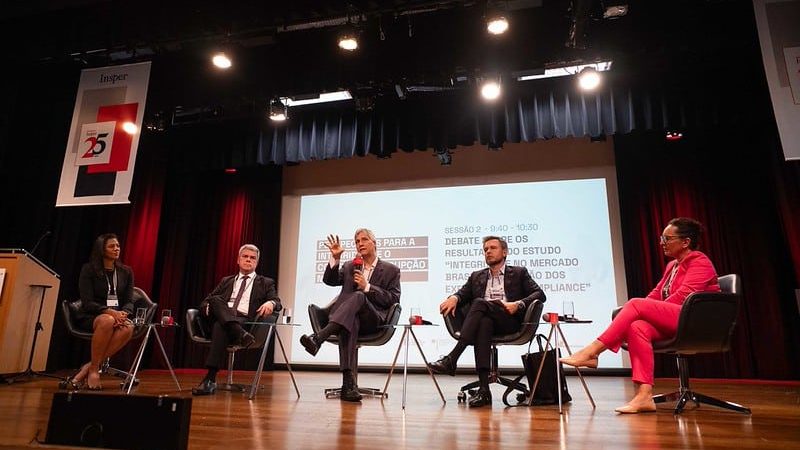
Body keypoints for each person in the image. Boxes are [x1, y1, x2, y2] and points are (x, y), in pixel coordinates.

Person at [560, 217, 720, 413]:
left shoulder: (700, 262)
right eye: (661, 238)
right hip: (676, 319)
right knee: (638, 327)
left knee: (636, 304)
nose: (662, 243)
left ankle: (592, 352)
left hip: (695, 321)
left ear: (686, 242)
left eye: (667, 238)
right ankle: (644, 396)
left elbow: (682, 297)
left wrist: (645, 309)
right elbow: (656, 294)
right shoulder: (672, 266)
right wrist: (642, 312)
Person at [428, 235, 546, 407]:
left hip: (509, 321)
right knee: (484, 323)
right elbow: (463, 293)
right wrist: (454, 297)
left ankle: (453, 357)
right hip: (487, 321)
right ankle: (484, 390)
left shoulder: (519, 273)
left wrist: (518, 304)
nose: (488, 252)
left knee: (479, 303)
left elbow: (540, 294)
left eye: (493, 248)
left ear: (504, 252)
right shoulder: (477, 276)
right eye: (485, 249)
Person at [299, 228, 401, 402]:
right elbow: (330, 280)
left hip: (373, 319)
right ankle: (348, 385)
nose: (360, 243)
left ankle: (318, 338)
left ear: (374, 243)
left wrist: (367, 287)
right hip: (347, 319)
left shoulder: (391, 270)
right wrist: (335, 258)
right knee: (350, 320)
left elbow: (393, 299)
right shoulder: (349, 266)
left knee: (359, 296)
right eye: (357, 241)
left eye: (364, 239)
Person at [192, 244, 281, 396]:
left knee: (221, 325)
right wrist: (208, 307)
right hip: (227, 320)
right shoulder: (226, 280)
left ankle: (210, 379)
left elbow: (277, 302)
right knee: (215, 300)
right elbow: (206, 302)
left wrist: (270, 303)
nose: (248, 260)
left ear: (257, 262)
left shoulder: (265, 282)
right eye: (245, 256)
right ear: (238, 260)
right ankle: (238, 333)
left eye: (252, 258)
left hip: (244, 322)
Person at [66, 233, 135, 390]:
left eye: (118, 246)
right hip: (91, 315)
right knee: (107, 320)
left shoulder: (126, 272)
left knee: (128, 327)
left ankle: (89, 367)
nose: (116, 249)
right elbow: (87, 301)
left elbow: (129, 300)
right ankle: (94, 371)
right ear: (101, 249)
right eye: (112, 246)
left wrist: (124, 313)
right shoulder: (89, 269)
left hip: (116, 316)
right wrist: (110, 312)